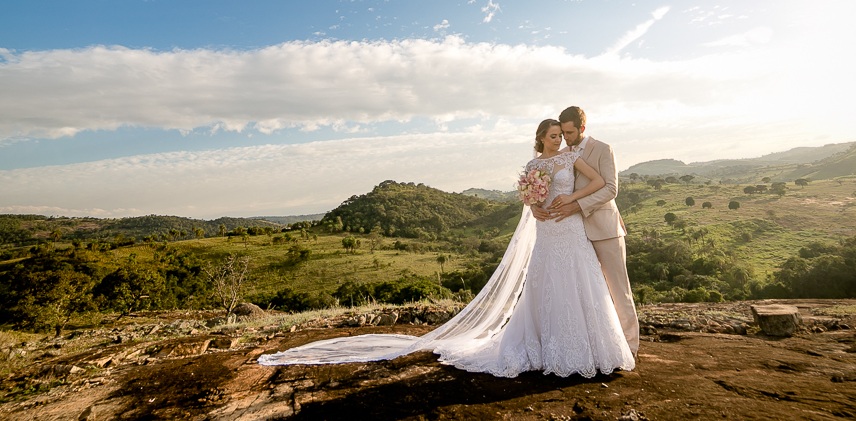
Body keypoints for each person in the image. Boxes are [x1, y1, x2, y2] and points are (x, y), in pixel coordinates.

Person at [258, 119, 634, 378]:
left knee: (582, 284)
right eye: (553, 135)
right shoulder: (533, 164)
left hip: (568, 225)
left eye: (561, 134)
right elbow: (527, 196)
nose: (558, 140)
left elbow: (600, 181)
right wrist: (533, 204)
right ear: (541, 138)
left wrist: (570, 200)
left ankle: (592, 349)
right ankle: (546, 349)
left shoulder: (572, 157)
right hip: (548, 230)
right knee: (547, 285)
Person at [533, 106, 639, 357]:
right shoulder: (563, 153)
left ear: (582, 128)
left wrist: (577, 204)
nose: (565, 138)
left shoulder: (603, 149)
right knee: (587, 290)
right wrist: (535, 206)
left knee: (618, 289)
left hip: (604, 228)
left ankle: (629, 347)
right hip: (574, 232)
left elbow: (611, 189)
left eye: (569, 133)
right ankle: (595, 344)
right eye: (562, 133)